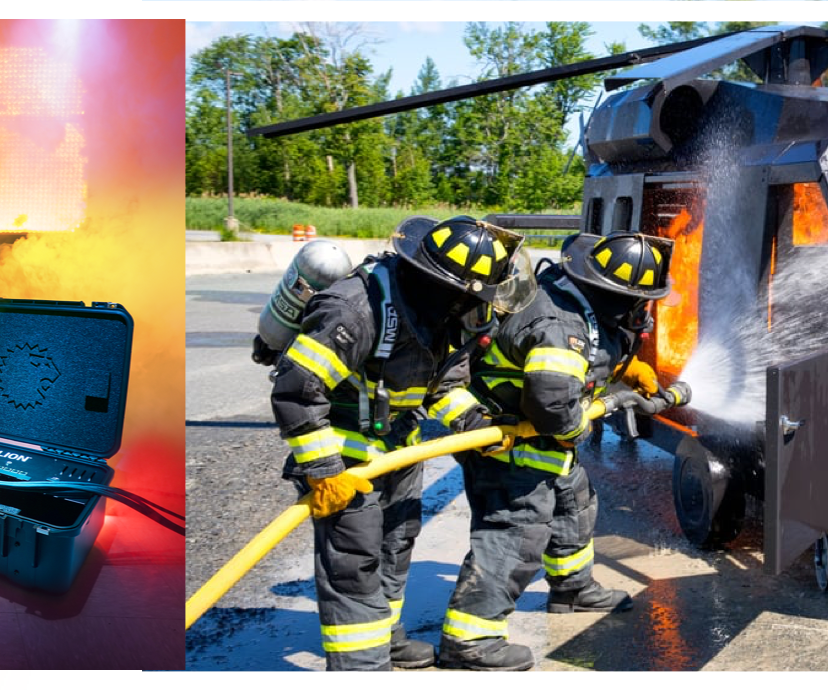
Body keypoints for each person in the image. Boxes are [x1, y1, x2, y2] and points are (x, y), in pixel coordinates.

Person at [266, 215, 524, 671]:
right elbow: (297, 390)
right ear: (449, 288)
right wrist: (324, 472)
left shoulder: (442, 316)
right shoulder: (355, 310)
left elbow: (443, 387)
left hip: (399, 449)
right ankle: (360, 667)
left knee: (395, 544)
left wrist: (476, 425)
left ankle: (384, 638)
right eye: (476, 297)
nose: (481, 308)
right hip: (342, 457)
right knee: (355, 562)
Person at [430, 232, 685, 671]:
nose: (642, 310)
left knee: (574, 502)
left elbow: (580, 364)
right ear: (617, 296)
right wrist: (578, 428)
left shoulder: (573, 300)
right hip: (507, 441)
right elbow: (551, 404)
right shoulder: (560, 326)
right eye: (639, 301)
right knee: (515, 533)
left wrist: (623, 370)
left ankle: (572, 588)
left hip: (535, 438)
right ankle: (470, 640)